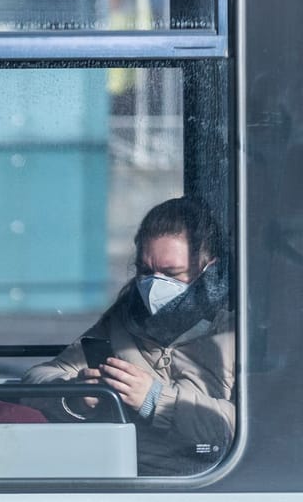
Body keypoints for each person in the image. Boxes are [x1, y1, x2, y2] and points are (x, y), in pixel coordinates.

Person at [23, 197, 234, 476]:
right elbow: (36, 379)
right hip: (124, 477)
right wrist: (75, 393)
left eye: (172, 273)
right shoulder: (125, 316)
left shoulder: (236, 330)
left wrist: (154, 400)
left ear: (208, 268)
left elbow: (253, 427)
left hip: (208, 481)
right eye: (145, 272)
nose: (153, 285)